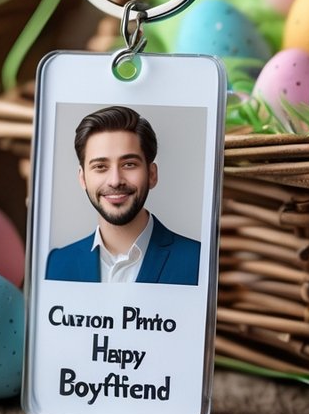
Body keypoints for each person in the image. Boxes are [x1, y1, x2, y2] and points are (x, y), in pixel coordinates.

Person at [45, 106, 200, 285]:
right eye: (100, 167)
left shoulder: (198, 260)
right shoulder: (57, 264)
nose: (115, 181)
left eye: (129, 164)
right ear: (82, 178)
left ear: (152, 175)